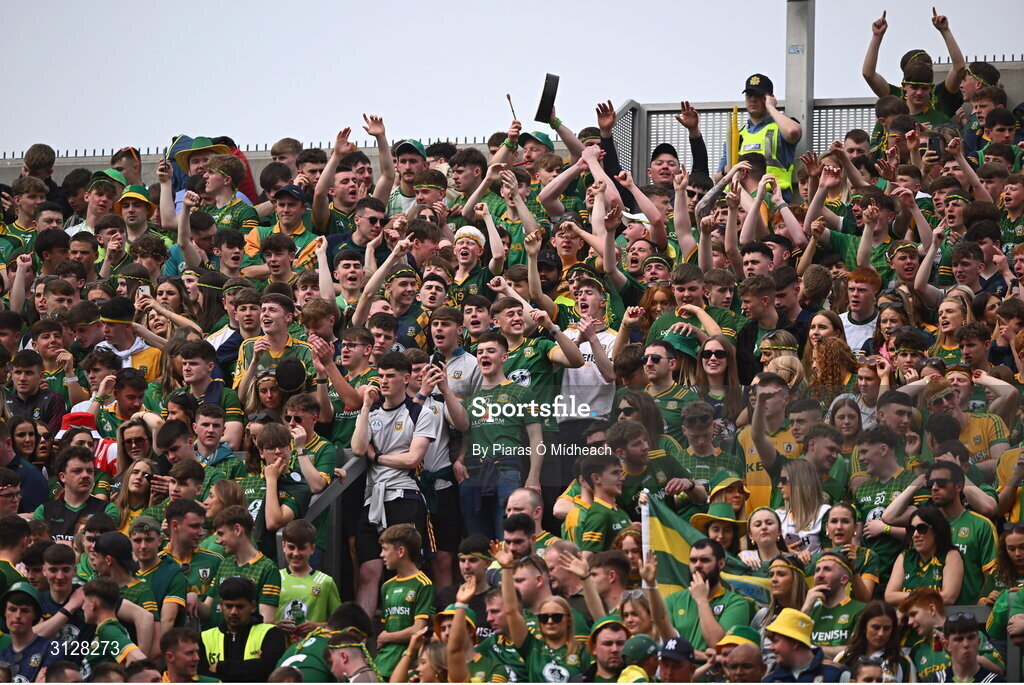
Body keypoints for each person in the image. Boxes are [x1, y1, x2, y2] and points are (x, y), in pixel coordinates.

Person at [663, 538, 753, 652]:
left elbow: (718, 646)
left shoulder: (736, 603)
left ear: (721, 563)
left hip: (715, 670)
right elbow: (667, 646)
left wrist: (701, 600)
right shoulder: (672, 600)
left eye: (704, 560)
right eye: (693, 560)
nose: (697, 565)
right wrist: (701, 656)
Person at [373, 523, 434, 680]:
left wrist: (386, 637)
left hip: (407, 664)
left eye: (385, 549)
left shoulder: (423, 584)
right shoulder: (387, 586)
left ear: (401, 551)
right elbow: (388, 627)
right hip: (383, 663)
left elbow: (418, 630)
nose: (381, 554)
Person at [199, 576, 287, 682]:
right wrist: (252, 667)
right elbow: (201, 676)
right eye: (229, 606)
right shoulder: (205, 637)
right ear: (221, 605)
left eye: (240, 607)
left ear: (253, 606)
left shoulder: (271, 633)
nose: (234, 612)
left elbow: (270, 669)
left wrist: (220, 667)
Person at [0, 581, 63, 682]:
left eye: (25, 610)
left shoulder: (52, 649)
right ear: (4, 612)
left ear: (35, 615)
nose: (17, 616)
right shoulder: (2, 651)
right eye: (12, 609)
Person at [763, 608, 846, 682]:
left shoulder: (835, 674)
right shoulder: (770, 680)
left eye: (775, 641)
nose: (771, 647)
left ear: (794, 643)